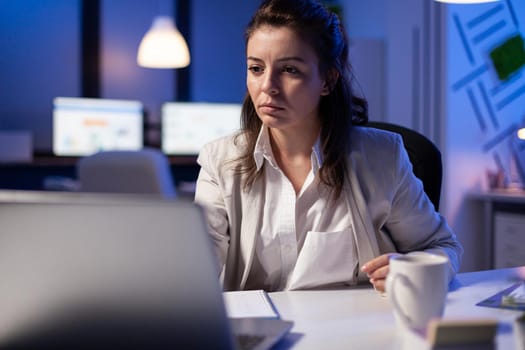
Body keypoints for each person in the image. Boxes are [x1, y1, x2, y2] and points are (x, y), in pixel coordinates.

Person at [194, 0, 463, 292]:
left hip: (355, 331)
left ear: (328, 79)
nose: (267, 85)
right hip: (259, 332)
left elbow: (443, 247)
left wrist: (416, 269)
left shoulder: (383, 157)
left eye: (290, 70)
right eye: (256, 68)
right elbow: (196, 266)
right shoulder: (220, 160)